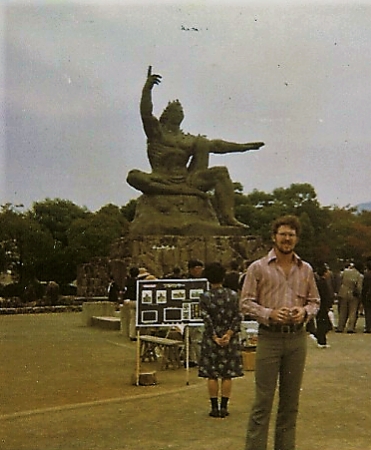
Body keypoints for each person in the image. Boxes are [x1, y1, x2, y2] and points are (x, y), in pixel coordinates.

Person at [126, 66, 264, 228]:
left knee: (220, 172)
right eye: (175, 109)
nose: (179, 110)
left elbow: (217, 145)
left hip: (187, 180)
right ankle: (173, 191)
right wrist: (147, 90)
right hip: (160, 177)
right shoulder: (157, 133)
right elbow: (146, 115)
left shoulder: (189, 139)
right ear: (167, 115)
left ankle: (228, 217)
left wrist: (244, 147)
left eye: (181, 109)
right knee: (133, 176)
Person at [240, 215, 320, 450]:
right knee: (262, 401)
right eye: (283, 234)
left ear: (297, 238)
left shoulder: (305, 269)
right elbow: (245, 302)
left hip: (296, 338)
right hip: (269, 338)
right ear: (274, 236)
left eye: (291, 235)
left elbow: (315, 301)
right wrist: (269, 313)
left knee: (290, 402)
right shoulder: (258, 268)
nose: (287, 239)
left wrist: (303, 312)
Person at [198, 262, 243, 418]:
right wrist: (229, 334)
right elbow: (238, 316)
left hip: (211, 339)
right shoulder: (233, 296)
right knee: (227, 374)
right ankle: (224, 406)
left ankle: (214, 407)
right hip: (230, 339)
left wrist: (214, 336)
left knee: (212, 374)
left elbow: (206, 319)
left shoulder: (205, 297)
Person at [336, 262, 363, 333]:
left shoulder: (345, 271)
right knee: (352, 311)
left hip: (343, 292)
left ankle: (340, 327)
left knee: (343, 311)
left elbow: (339, 279)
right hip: (353, 294)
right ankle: (350, 328)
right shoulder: (359, 275)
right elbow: (359, 287)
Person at [312, 264, 333, 348]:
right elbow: (325, 295)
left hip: (321, 305)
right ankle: (320, 339)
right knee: (324, 324)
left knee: (323, 323)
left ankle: (321, 339)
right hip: (322, 305)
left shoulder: (320, 281)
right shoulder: (322, 282)